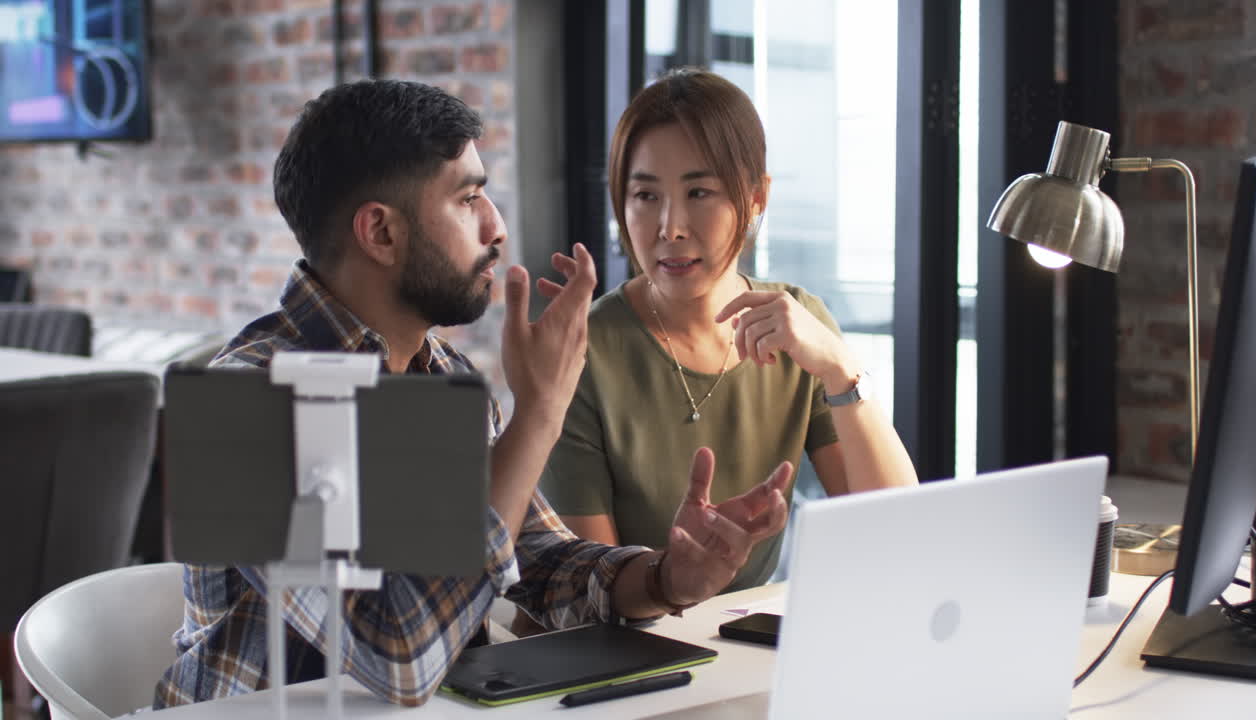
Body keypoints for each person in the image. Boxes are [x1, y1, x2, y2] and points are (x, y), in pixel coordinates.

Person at [153, 79, 795, 709]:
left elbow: (540, 562)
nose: (497, 228)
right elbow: (402, 662)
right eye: (468, 201)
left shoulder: (441, 376)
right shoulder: (242, 408)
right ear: (380, 232)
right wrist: (539, 413)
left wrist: (665, 577)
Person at [540, 68, 919, 596]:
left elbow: (897, 534)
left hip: (743, 641)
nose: (670, 226)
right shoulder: (585, 350)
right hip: (626, 653)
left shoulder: (798, 323)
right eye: (645, 196)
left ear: (757, 196)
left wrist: (838, 367)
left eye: (699, 192)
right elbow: (589, 591)